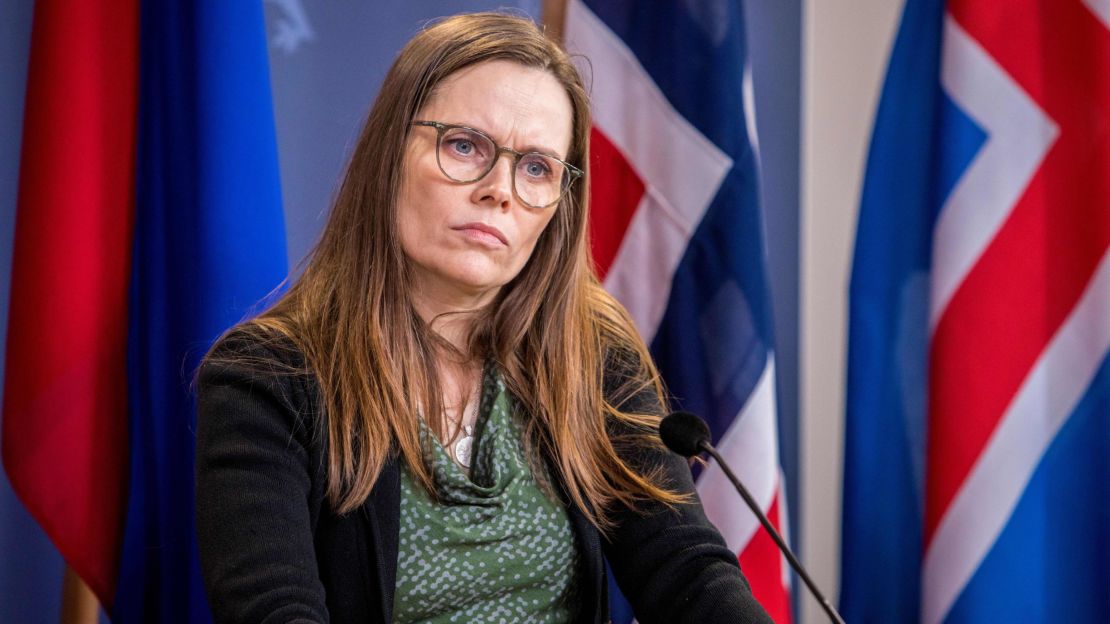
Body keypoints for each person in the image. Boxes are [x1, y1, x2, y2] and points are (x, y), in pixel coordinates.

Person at [195, 12, 772, 624]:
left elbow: (685, 568)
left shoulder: (591, 351)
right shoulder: (266, 379)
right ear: (390, 155)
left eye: (536, 168)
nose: (500, 189)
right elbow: (274, 612)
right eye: (465, 146)